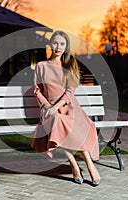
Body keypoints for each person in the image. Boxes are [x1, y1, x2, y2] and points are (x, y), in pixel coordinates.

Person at [31, 30, 101, 186]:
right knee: (57, 120)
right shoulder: (42, 66)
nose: (58, 46)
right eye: (55, 43)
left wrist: (57, 106)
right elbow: (36, 90)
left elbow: (70, 91)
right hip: (48, 107)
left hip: (68, 105)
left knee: (66, 122)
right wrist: (48, 106)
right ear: (50, 44)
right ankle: (77, 165)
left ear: (66, 46)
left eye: (62, 44)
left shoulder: (69, 64)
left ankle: (86, 164)